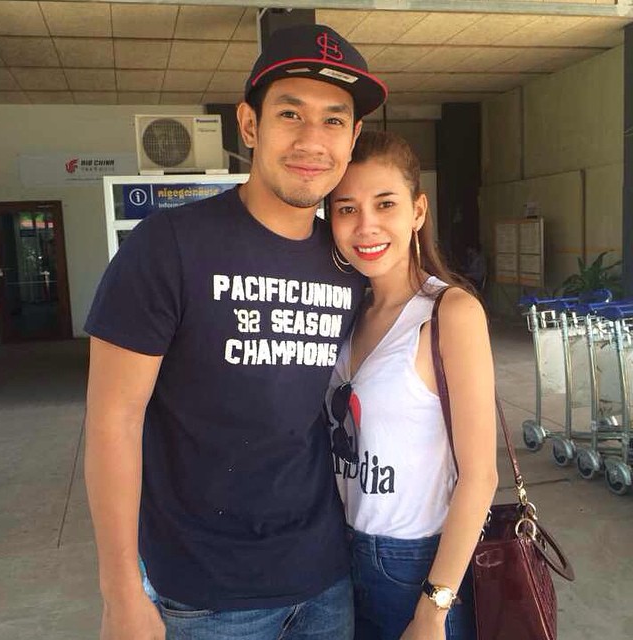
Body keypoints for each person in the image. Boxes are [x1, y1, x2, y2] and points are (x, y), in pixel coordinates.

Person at [84, 24, 387, 640]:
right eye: (290, 114)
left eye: (333, 120)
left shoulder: (348, 260)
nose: (312, 140)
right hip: (204, 594)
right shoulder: (168, 246)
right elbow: (114, 420)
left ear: (353, 138)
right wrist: (120, 593)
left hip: (325, 577)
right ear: (249, 125)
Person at [326, 131, 498, 640]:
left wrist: (434, 608)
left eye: (385, 204)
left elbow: (480, 476)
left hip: (414, 564)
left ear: (418, 211)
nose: (366, 225)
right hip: (337, 554)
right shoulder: (347, 314)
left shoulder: (449, 313)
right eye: (346, 208)